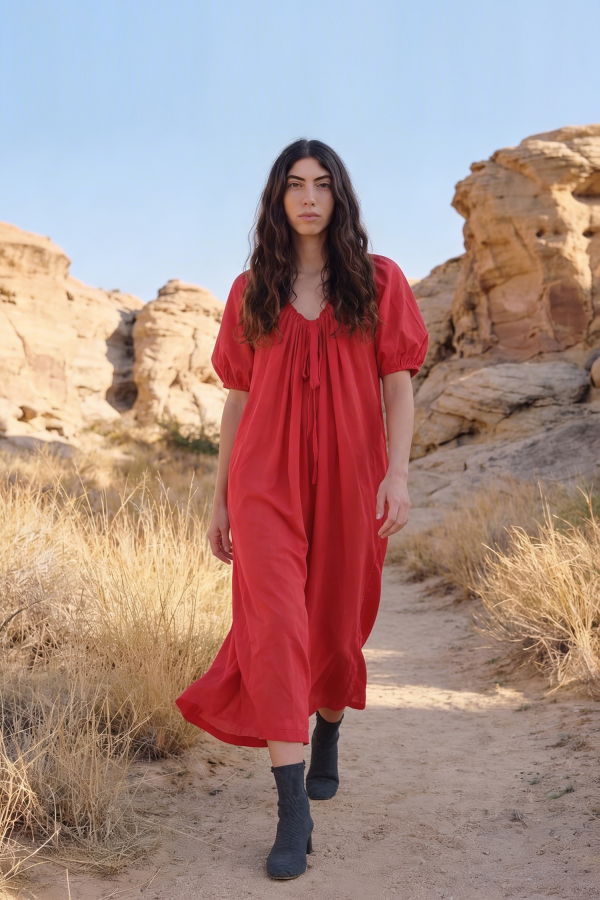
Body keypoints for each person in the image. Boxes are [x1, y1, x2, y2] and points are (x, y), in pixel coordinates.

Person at [175, 138, 429, 880]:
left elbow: (399, 382)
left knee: (337, 618)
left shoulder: (379, 280)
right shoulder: (251, 288)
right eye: (295, 184)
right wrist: (220, 495)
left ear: (339, 196)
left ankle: (330, 724)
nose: (309, 196)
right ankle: (292, 810)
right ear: (278, 199)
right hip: (264, 481)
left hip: (353, 475)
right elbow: (238, 398)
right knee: (277, 623)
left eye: (322, 184)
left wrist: (399, 474)